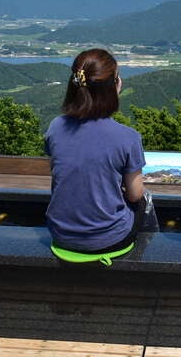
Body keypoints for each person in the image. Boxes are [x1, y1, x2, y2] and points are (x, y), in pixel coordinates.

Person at [45, 48, 148, 253]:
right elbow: (136, 194)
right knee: (143, 202)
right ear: (114, 86)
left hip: (60, 234)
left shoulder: (56, 127)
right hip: (109, 239)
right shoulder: (128, 137)